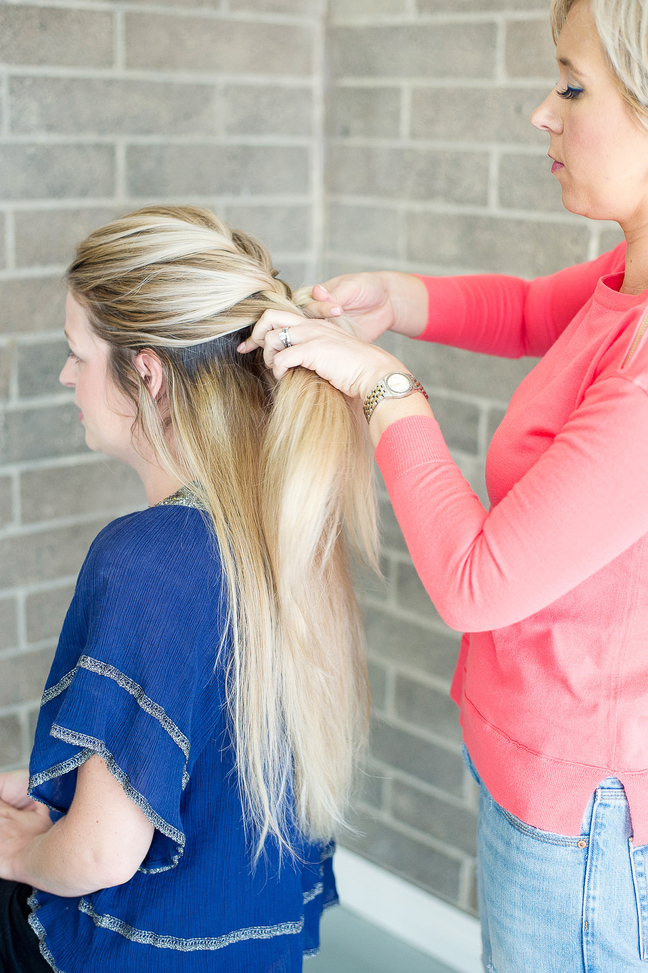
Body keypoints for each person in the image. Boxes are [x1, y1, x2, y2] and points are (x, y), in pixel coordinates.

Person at [238, 0, 648, 969]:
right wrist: (398, 298)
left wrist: (381, 386)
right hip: (531, 758)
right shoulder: (630, 276)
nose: (541, 113)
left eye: (573, 85)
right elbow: (525, 309)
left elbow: (477, 581)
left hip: (582, 805)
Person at [0, 205, 378, 972]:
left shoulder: (150, 558)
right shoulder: (290, 520)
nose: (68, 375)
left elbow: (104, 852)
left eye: (78, 354)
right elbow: (211, 768)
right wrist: (54, 792)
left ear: (146, 371)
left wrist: (27, 852)